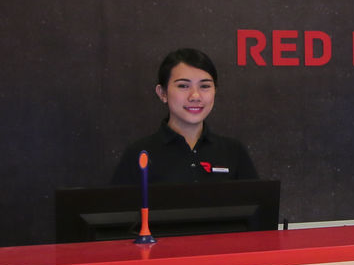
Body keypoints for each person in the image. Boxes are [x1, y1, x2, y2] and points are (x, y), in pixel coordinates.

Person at [110, 47, 260, 185]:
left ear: (215, 91)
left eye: (205, 86)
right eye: (183, 86)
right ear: (162, 93)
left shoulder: (233, 152)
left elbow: (256, 204)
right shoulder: (139, 154)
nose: (195, 96)